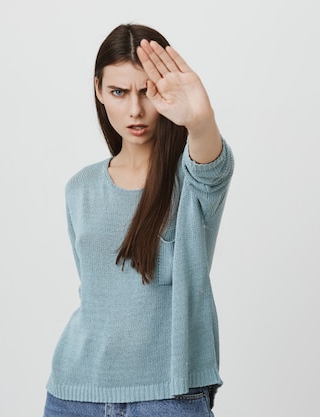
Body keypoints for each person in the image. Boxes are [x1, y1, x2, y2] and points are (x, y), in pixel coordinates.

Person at [43, 23, 234, 417]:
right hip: (75, 392)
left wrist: (201, 120)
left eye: (147, 91)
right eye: (118, 91)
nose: (135, 109)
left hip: (169, 394)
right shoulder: (79, 189)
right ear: (98, 90)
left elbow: (212, 164)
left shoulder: (191, 180)